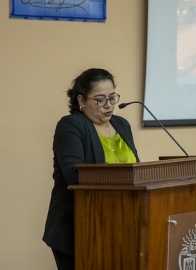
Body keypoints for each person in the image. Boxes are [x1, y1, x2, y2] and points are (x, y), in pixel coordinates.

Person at [42, 68, 139, 270]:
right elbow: (74, 176)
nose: (109, 105)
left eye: (112, 97)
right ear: (81, 100)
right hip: (80, 227)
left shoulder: (122, 124)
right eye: (100, 99)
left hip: (120, 226)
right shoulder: (71, 126)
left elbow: (134, 169)